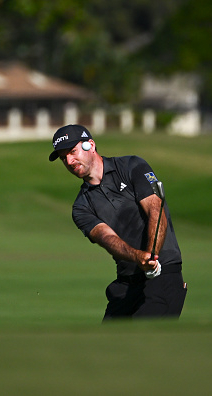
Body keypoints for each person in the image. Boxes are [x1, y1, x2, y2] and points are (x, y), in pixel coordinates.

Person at [48, 124, 187, 320]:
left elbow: (156, 210)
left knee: (143, 342)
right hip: (126, 284)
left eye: (72, 151)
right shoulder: (81, 207)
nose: (69, 161)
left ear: (91, 145)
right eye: (64, 158)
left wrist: (152, 255)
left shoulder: (132, 166)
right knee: (107, 346)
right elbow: (107, 238)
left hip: (163, 274)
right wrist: (139, 257)